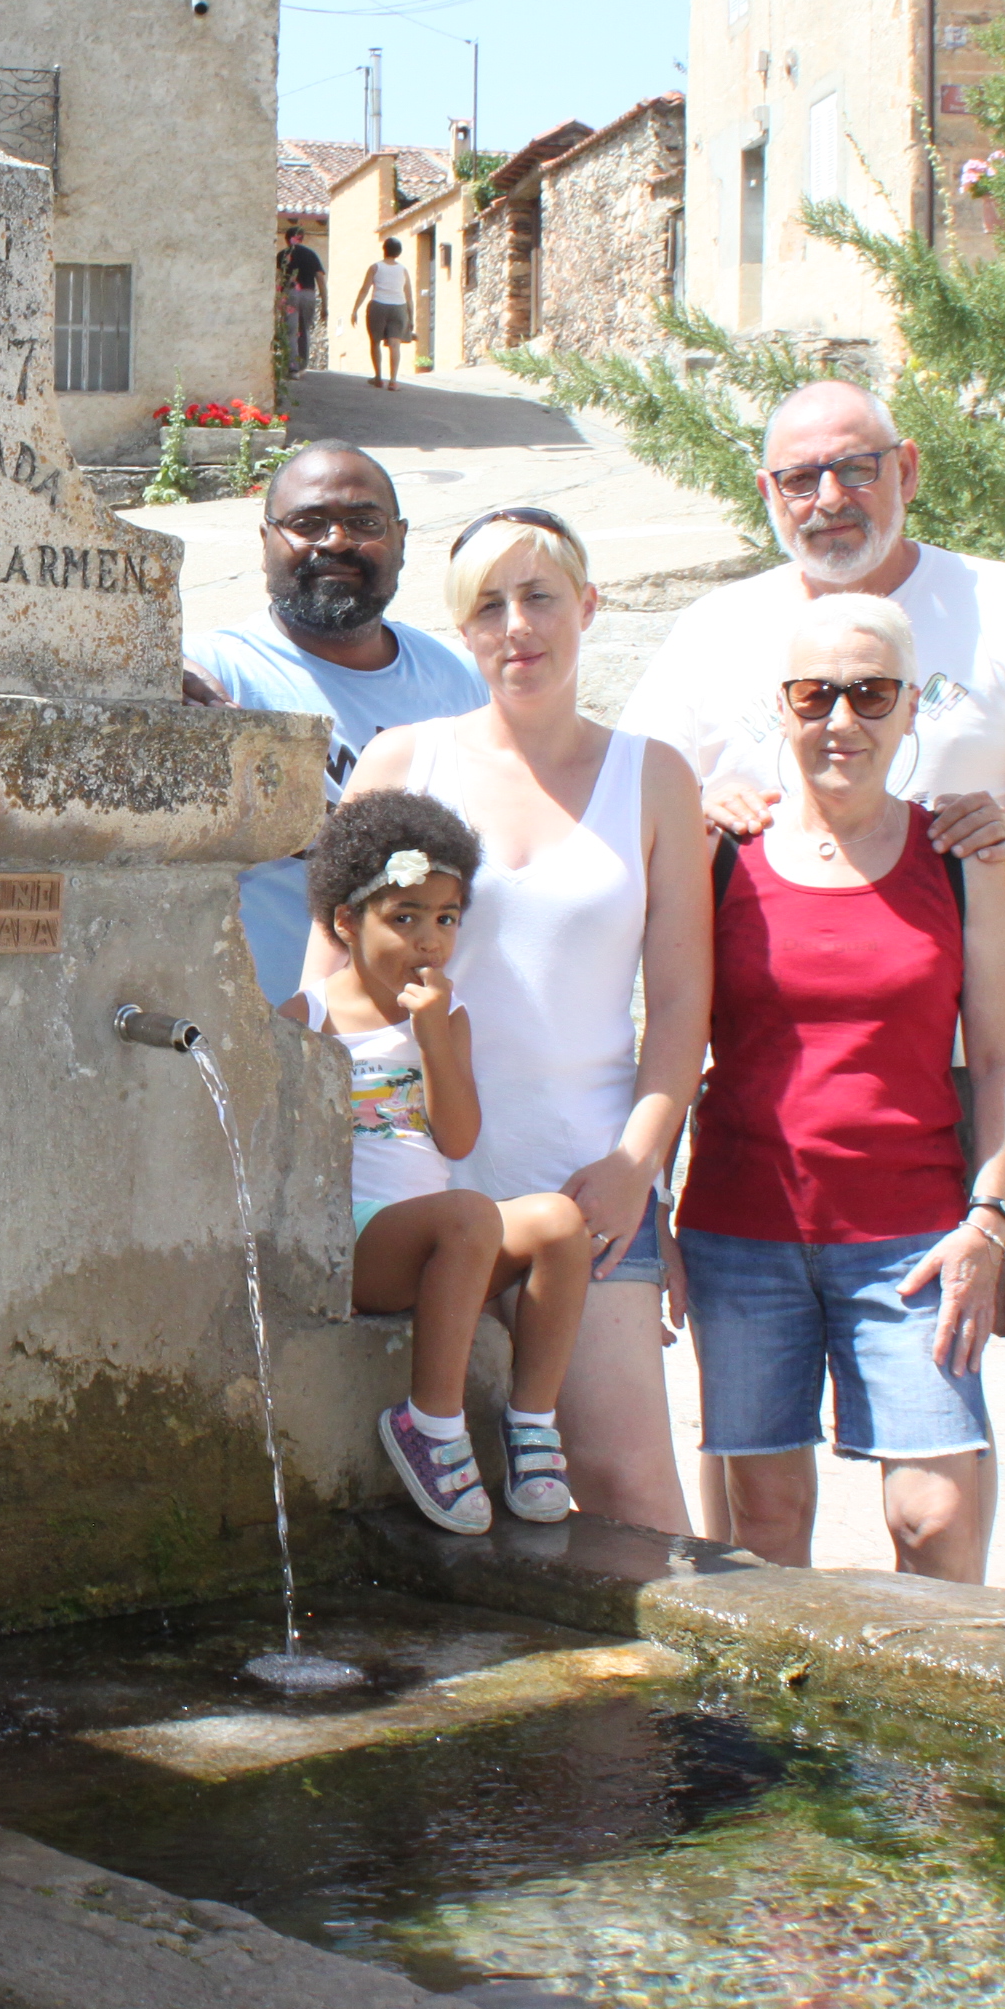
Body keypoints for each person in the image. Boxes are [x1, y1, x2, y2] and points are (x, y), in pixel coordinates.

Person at [319, 506, 711, 1535]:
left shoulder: (655, 777)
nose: (517, 626)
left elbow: (681, 1004)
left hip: (585, 1188)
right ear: (463, 629)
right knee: (426, 1512)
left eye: (539, 596)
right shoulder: (402, 761)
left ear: (588, 605)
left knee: (628, 1485)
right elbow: (330, 977)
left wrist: (634, 1166)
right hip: (417, 1188)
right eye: (489, 606)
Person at [675, 594, 1005, 1583]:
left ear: (913, 707)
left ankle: (942, 1685)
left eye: (872, 694)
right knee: (766, 1516)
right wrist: (652, 1208)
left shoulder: (960, 861)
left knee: (935, 1516)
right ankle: (770, 1693)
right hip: (742, 1232)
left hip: (912, 1239)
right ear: (780, 707)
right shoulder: (721, 854)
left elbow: (1003, 1061)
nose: (842, 720)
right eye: (815, 694)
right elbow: (670, 1042)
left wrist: (992, 1217)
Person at [619, 379, 1005, 864]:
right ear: (769, 493)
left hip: (963, 913)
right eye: (799, 479)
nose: (830, 499)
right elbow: (625, 809)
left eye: (855, 469)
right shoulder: (711, 630)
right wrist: (693, 819)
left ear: (906, 471)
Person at [288, 790, 594, 1536]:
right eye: (405, 918)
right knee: (467, 1215)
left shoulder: (446, 1019)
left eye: (446, 918)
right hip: (356, 1245)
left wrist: (431, 1040)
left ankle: (531, 1422)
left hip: (443, 1242)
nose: (429, 940)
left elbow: (457, 1139)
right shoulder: (307, 1017)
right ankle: (429, 1425)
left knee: (559, 1221)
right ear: (345, 922)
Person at [182, 444, 486, 1000]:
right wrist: (157, 672)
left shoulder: (460, 682)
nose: (337, 541)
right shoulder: (213, 678)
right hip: (264, 1029)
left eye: (364, 522)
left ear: (401, 539)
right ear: (266, 540)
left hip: (425, 1031)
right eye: (308, 523)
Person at [346, 239, 414, 391]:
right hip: (399, 307)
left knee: (375, 341)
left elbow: (364, 289)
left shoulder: (375, 267)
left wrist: (355, 309)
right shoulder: (403, 270)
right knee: (395, 345)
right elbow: (409, 296)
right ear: (399, 252)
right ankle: (393, 381)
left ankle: (378, 377)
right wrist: (411, 316)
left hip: (378, 306)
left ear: (384, 249)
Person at [276, 224, 326, 369]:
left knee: (291, 331)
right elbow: (320, 279)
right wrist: (324, 304)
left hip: (290, 294)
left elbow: (278, 278)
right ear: (301, 239)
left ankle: (293, 366)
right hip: (309, 294)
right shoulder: (312, 255)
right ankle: (303, 366)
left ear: (287, 239)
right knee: (305, 330)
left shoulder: (282, 255)